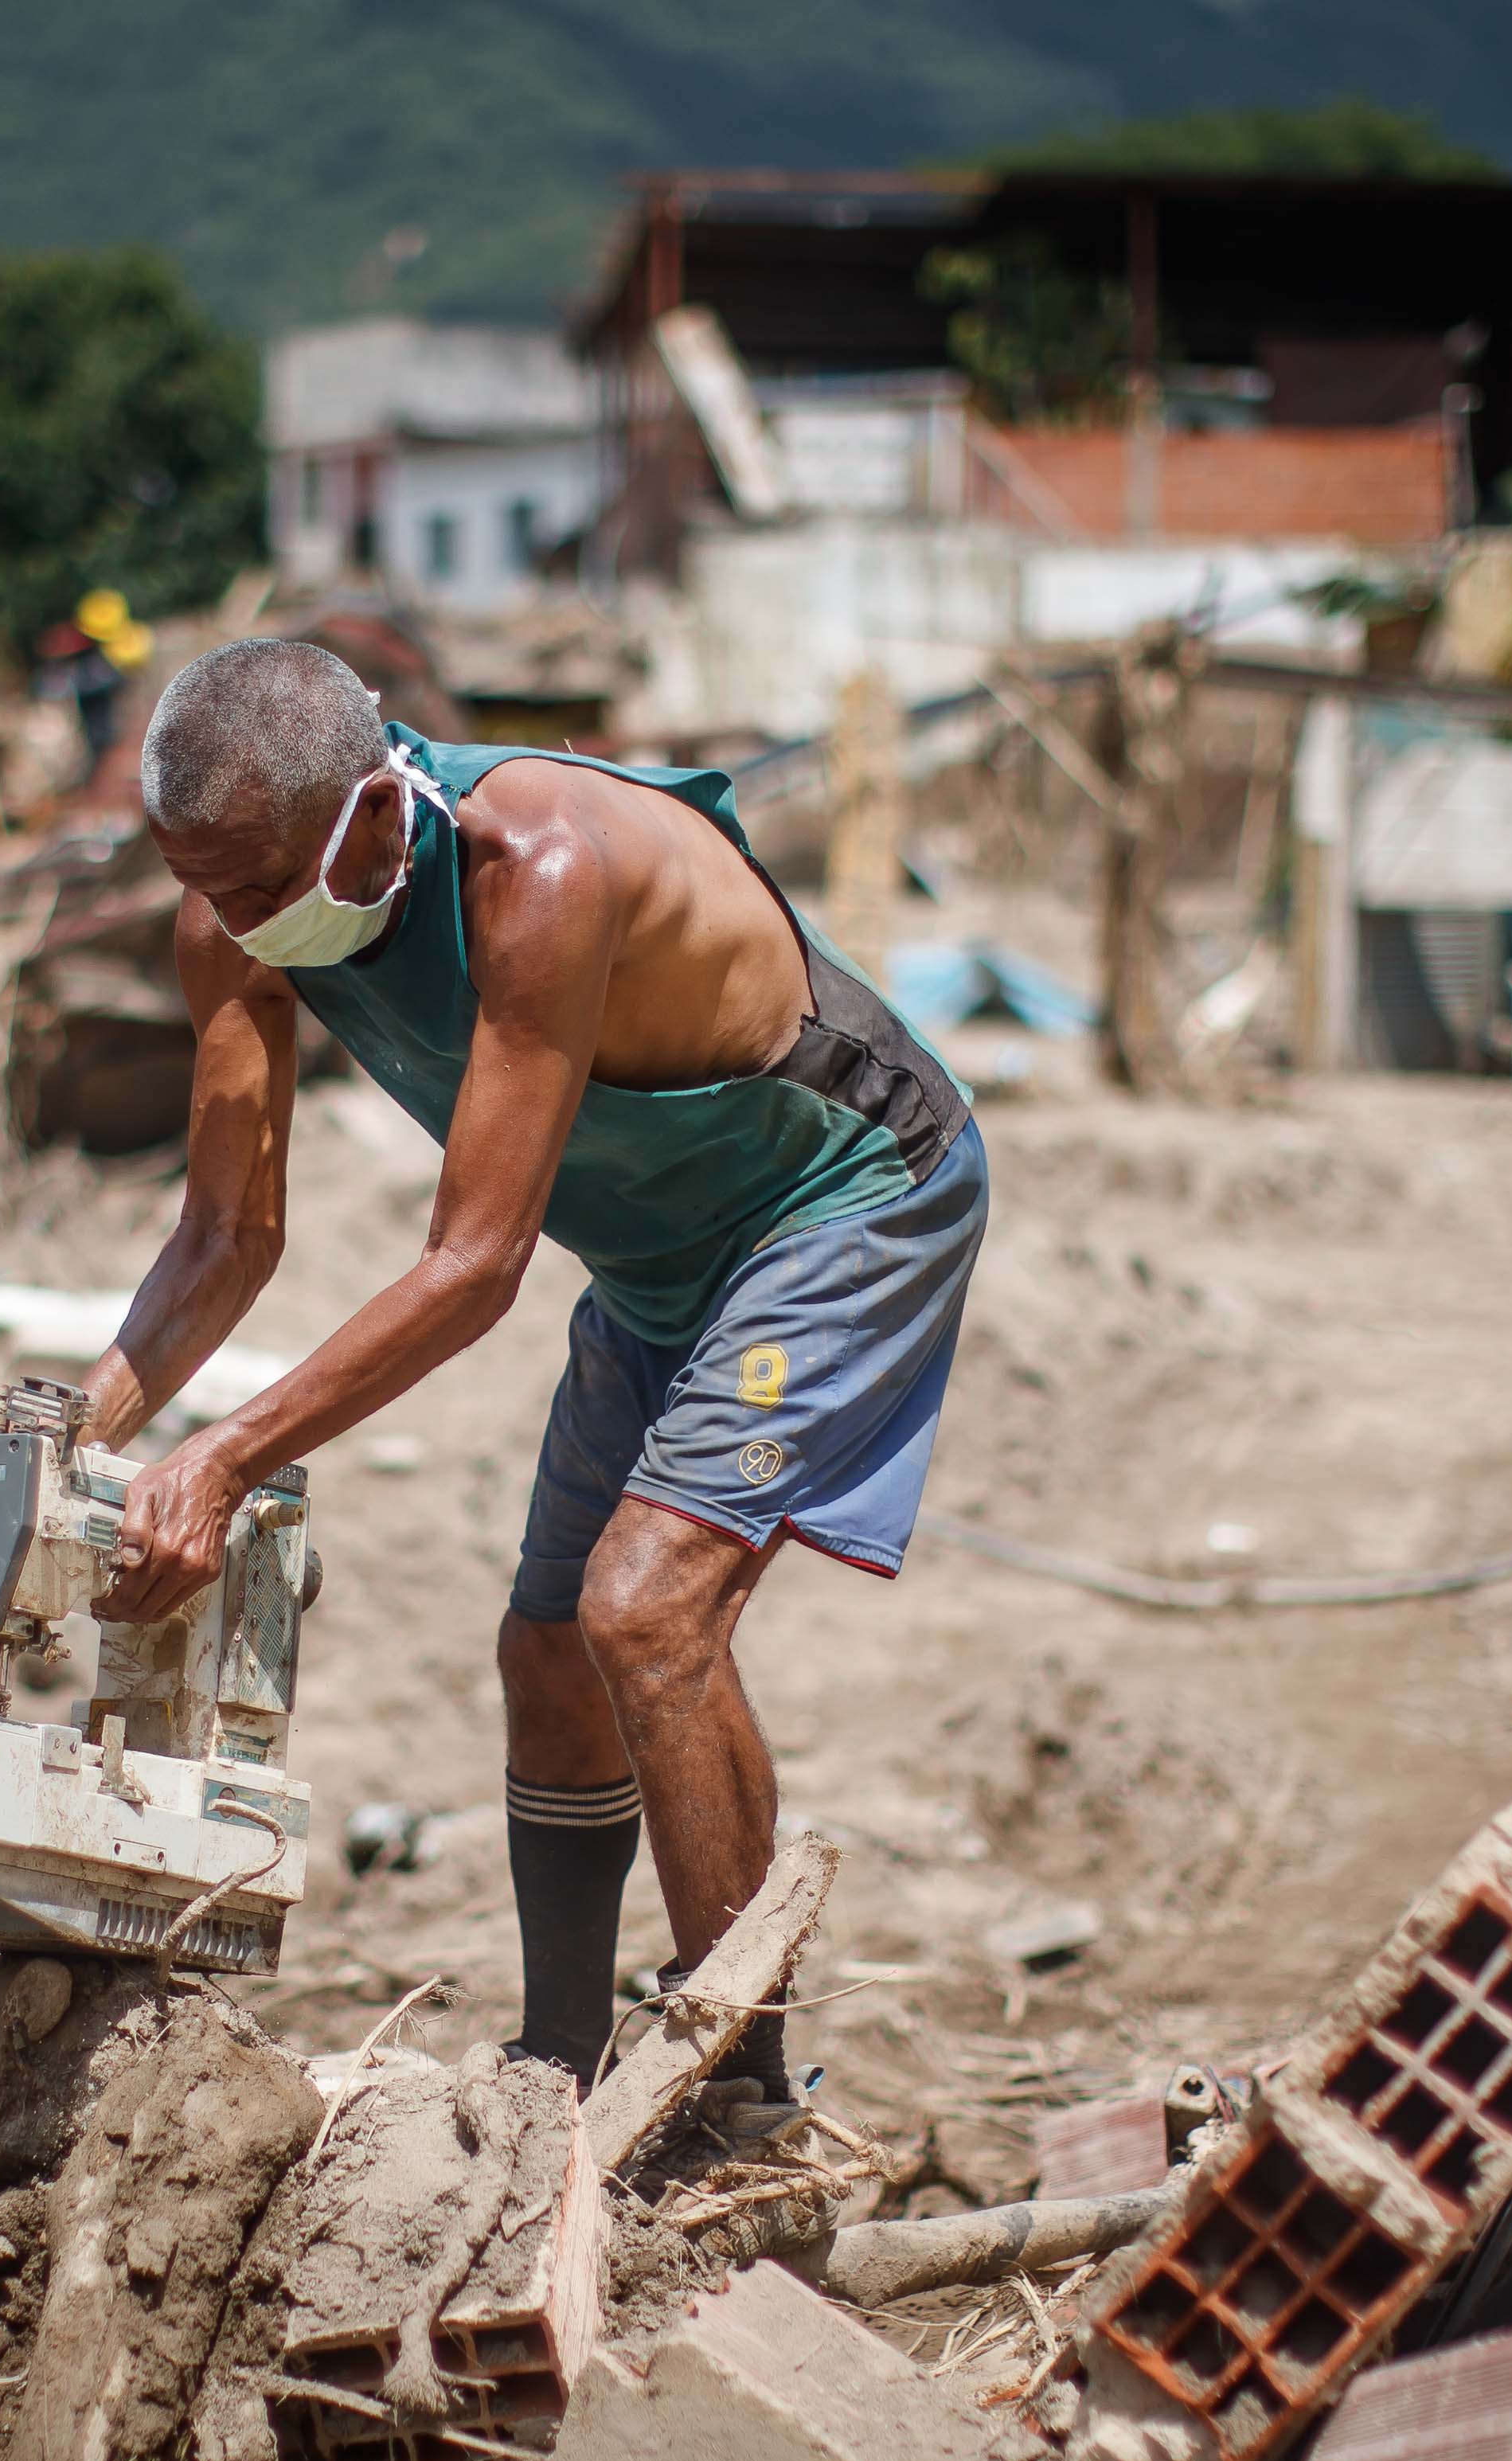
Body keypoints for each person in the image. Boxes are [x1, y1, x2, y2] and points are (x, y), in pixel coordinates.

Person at [79, 639, 987, 2100]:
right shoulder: (232, 917)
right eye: (202, 885)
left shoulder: (539, 868)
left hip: (847, 1198)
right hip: (661, 1255)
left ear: (377, 812)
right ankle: (556, 2073)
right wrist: (77, 1435)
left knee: (644, 1609)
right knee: (547, 1646)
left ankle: (743, 2103)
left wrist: (224, 1455)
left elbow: (476, 1264)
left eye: (256, 884)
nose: (232, 924)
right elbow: (227, 1235)